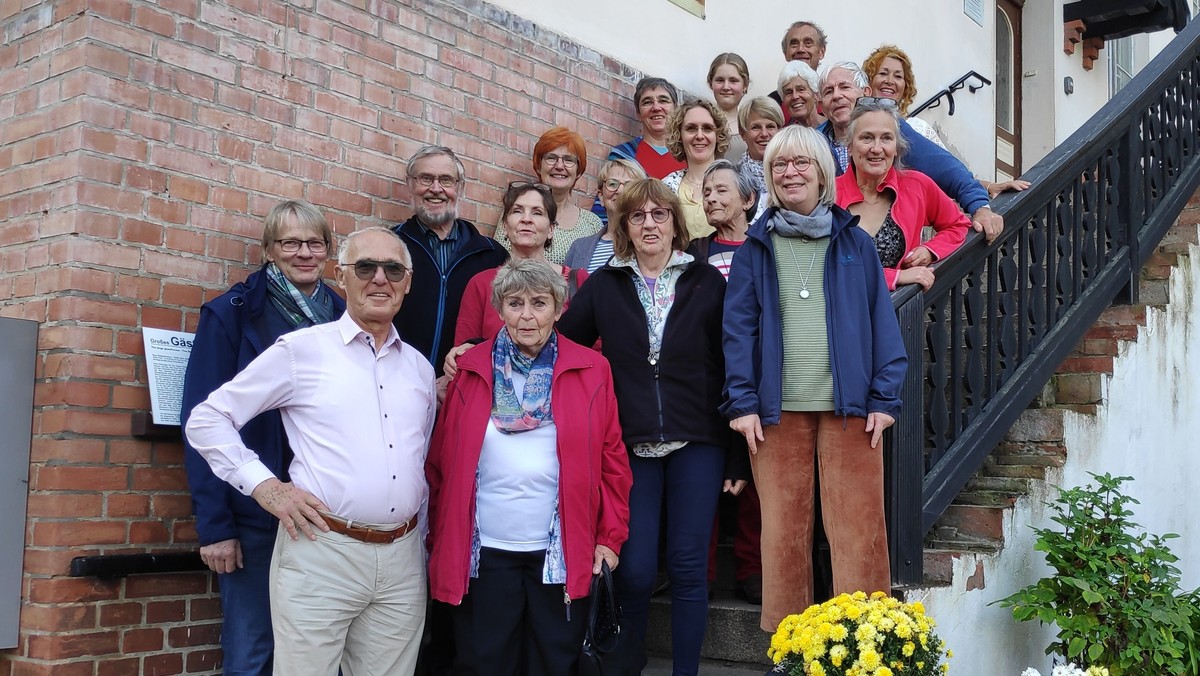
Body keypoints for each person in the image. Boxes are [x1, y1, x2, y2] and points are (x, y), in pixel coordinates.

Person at [186, 227, 435, 675]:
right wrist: (265, 487)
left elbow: (421, 462)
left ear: (408, 282)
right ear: (341, 276)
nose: (380, 279)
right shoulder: (302, 352)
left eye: (393, 269)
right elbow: (207, 419)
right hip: (323, 551)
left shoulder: (419, 369)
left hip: (402, 558)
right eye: (366, 267)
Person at [721, 126, 907, 632]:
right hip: (775, 412)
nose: (791, 173)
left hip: (853, 411)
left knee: (859, 532)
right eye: (780, 165)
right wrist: (743, 403)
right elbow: (737, 333)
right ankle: (789, 648)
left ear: (822, 173)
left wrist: (884, 398)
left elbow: (882, 325)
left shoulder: (856, 244)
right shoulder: (754, 248)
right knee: (782, 535)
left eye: (801, 162)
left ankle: (868, 645)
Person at [558, 179, 736, 676]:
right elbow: (563, 346)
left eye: (660, 214)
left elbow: (732, 364)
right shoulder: (604, 285)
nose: (649, 224)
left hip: (698, 440)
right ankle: (626, 667)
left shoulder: (706, 281)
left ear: (675, 223)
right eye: (638, 216)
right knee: (633, 570)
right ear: (625, 226)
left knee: (687, 565)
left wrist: (738, 456)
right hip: (630, 443)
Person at [426, 259, 633, 676]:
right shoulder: (469, 368)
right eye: (515, 303)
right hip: (485, 552)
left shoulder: (592, 369)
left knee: (554, 663)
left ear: (558, 309)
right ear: (499, 309)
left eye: (539, 303)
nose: (526, 316)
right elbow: (440, 463)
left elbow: (612, 461)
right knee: (485, 663)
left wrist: (610, 538)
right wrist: (438, 536)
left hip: (560, 553)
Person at [180, 200, 345, 676]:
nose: (304, 253)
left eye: (314, 243)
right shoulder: (231, 314)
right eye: (290, 243)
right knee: (252, 653)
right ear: (269, 250)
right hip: (255, 518)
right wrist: (216, 527)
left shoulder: (343, 315)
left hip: (324, 518)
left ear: (328, 250)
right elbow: (200, 422)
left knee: (318, 653)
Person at [817, 62, 1006, 242]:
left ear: (865, 92)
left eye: (844, 87)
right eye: (828, 91)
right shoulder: (814, 143)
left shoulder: (893, 130)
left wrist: (980, 207)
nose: (836, 96)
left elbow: (945, 169)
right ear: (822, 104)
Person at [696, 160, 762, 603]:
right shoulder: (694, 252)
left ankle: (752, 568)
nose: (712, 199)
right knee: (704, 478)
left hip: (756, 374)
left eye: (721, 190)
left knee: (756, 478)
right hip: (705, 377)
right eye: (706, 192)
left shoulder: (765, 248)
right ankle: (697, 573)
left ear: (748, 199)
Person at [393, 145, 508, 374]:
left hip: (463, 383)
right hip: (398, 381)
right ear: (410, 184)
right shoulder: (390, 247)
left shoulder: (492, 255)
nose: (436, 189)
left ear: (460, 187)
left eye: (446, 180)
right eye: (426, 179)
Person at [862, 44, 1032, 199]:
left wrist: (989, 186)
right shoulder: (854, 124)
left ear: (905, 86)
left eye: (898, 76)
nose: (890, 81)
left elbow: (947, 171)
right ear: (868, 82)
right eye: (882, 73)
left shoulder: (918, 128)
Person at [835, 99, 970, 291]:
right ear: (849, 146)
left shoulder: (916, 185)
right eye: (867, 138)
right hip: (844, 306)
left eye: (886, 138)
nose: (877, 148)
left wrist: (930, 250)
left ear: (897, 147)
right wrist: (896, 276)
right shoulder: (828, 195)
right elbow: (824, 266)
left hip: (901, 308)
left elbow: (958, 224)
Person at [455, 182, 587, 344]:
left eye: (537, 213)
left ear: (551, 229)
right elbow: (465, 350)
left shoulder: (577, 281)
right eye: (517, 211)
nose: (526, 219)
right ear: (505, 225)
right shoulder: (481, 284)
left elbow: (595, 351)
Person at [493, 127, 604, 263]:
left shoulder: (592, 224)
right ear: (539, 166)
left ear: (578, 171)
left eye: (569, 160)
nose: (559, 166)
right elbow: (498, 263)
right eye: (551, 158)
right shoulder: (515, 214)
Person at [662, 99, 730, 240]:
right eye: (691, 128)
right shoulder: (664, 188)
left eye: (707, 128)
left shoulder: (738, 183)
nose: (699, 136)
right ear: (679, 135)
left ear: (718, 136)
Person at [564, 159, 648, 273]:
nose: (620, 191)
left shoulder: (650, 241)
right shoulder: (579, 247)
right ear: (601, 196)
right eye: (612, 184)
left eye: (630, 185)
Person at [736, 96, 785, 225]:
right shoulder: (735, 178)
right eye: (755, 127)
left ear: (780, 130)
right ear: (742, 133)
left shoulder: (793, 172)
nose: (764, 134)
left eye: (770, 126)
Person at [768, 21, 828, 120]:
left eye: (808, 43)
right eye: (794, 44)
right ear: (785, 53)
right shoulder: (774, 102)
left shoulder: (832, 95)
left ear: (821, 52)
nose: (800, 49)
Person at [707, 53, 750, 160]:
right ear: (711, 83)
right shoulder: (702, 122)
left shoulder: (752, 123)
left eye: (733, 81)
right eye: (720, 80)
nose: (726, 87)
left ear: (745, 85)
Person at [777, 60, 820, 129]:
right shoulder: (787, 135)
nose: (795, 96)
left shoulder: (833, 128)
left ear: (816, 95)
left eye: (801, 89)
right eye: (788, 92)